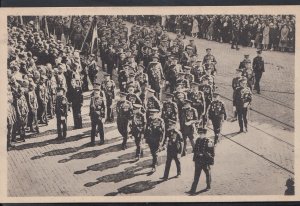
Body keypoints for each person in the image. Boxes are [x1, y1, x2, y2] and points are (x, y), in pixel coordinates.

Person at [189, 128, 215, 194]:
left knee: (207, 174)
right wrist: (196, 155)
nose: (200, 135)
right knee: (196, 175)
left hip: (205, 161)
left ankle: (208, 186)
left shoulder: (209, 141)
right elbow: (195, 149)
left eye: (202, 134)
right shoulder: (198, 140)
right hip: (198, 160)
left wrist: (211, 160)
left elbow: (212, 152)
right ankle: (193, 189)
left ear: (205, 134)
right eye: (199, 134)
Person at [145, 108, 165, 173]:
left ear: (157, 114)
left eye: (153, 114)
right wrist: (146, 137)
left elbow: (162, 132)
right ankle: (155, 162)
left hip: (157, 139)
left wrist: (161, 141)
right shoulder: (149, 119)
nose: (152, 116)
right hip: (150, 139)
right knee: (152, 152)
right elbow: (146, 129)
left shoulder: (160, 121)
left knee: (155, 153)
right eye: (151, 114)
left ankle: (154, 165)